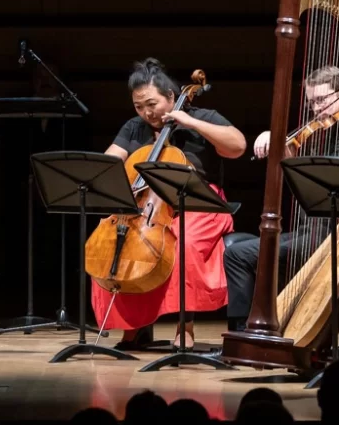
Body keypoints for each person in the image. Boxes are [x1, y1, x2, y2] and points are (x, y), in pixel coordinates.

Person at [91, 58, 246, 350]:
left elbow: (237, 145)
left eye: (152, 104)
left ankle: (184, 326)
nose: (146, 113)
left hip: (201, 204)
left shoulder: (203, 116)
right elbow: (110, 160)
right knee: (116, 244)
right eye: (139, 106)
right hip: (149, 207)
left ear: (172, 97)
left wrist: (189, 122)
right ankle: (133, 327)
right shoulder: (134, 127)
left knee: (182, 243)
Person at [223, 65, 339, 331]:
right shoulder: (327, 129)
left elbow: (323, 188)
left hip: (333, 234)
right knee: (237, 247)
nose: (315, 109)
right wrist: (277, 140)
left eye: (321, 100)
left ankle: (243, 334)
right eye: (311, 102)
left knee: (237, 255)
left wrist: (284, 151)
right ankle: (248, 332)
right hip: (314, 229)